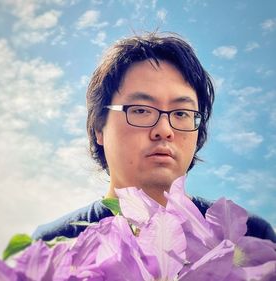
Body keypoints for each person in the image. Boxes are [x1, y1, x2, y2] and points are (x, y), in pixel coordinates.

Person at [33, 32, 276, 243]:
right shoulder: (53, 245)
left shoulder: (247, 237)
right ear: (99, 128)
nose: (164, 129)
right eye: (140, 110)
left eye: (181, 113)